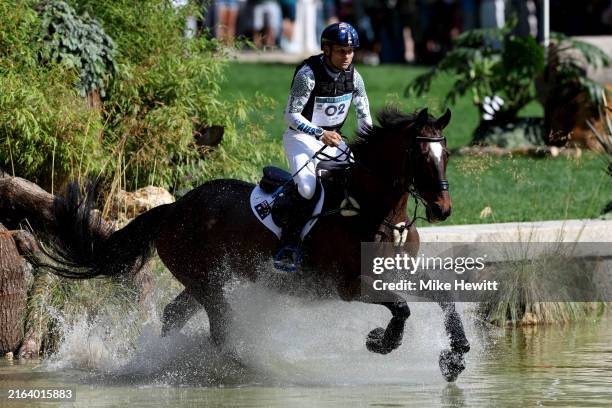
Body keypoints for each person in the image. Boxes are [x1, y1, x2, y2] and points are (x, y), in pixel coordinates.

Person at [274, 22, 373, 270]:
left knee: (360, 180)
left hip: (335, 139)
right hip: (300, 138)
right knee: (307, 188)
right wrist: (319, 133)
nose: (347, 56)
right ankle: (289, 246)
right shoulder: (308, 75)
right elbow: (291, 116)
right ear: (326, 50)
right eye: (341, 51)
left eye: (350, 51)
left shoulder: (355, 77)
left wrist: (367, 147)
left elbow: (364, 118)